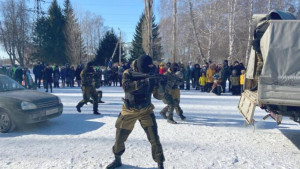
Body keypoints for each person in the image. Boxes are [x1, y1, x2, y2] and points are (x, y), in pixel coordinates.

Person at [106, 55, 165, 169]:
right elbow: (126, 87)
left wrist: (162, 87)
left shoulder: (152, 72)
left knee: (154, 139)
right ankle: (117, 159)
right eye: (147, 66)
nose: (150, 68)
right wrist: (144, 82)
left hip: (146, 110)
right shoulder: (128, 73)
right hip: (129, 110)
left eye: (151, 66)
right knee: (119, 139)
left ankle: (160, 163)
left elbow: (158, 96)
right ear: (141, 66)